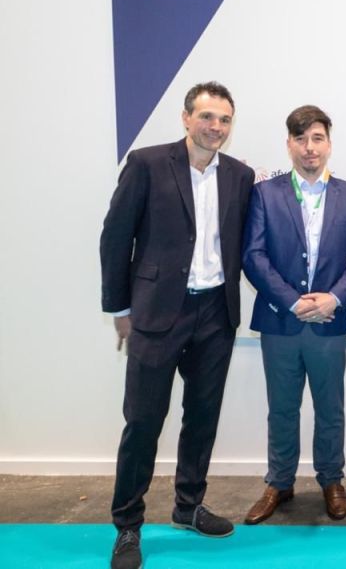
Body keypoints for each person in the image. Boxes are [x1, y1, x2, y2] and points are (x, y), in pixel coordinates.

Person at [100, 81, 255, 569]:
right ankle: (128, 525)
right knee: (143, 421)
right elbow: (115, 237)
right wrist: (120, 309)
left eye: (224, 119)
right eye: (207, 116)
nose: (215, 127)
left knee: (202, 417)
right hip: (156, 312)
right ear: (186, 118)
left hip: (216, 313)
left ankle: (188, 506)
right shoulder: (147, 164)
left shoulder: (240, 175)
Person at [241, 105, 346, 525]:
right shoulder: (265, 193)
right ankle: (279, 482)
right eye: (301, 139)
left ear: (329, 144)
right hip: (280, 320)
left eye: (317, 138)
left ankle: (331, 480)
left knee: (330, 407)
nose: (309, 147)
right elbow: (253, 255)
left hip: (330, 321)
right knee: (282, 408)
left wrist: (334, 298)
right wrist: (293, 301)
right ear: (289, 145)